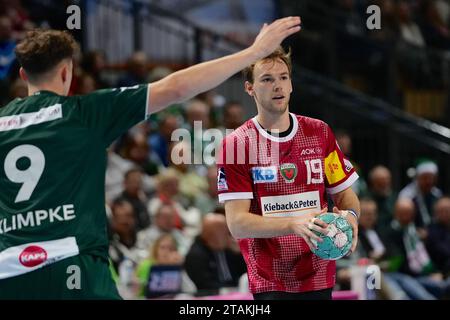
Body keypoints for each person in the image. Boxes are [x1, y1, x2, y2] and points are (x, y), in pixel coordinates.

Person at [0, 16, 301, 299]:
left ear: (24, 73)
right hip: (73, 265)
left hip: (8, 273)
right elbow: (176, 87)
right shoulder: (84, 113)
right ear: (68, 72)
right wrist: (254, 52)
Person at [217, 46, 360, 300]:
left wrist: (350, 216)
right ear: (250, 88)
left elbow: (345, 195)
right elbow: (237, 224)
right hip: (270, 279)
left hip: (319, 268)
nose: (278, 86)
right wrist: (294, 225)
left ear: (292, 84)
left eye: (284, 77)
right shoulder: (237, 144)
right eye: (267, 79)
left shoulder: (320, 132)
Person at [184, 213, 247, 296]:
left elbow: (245, 273)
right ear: (210, 234)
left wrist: (240, 253)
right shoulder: (196, 255)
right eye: (224, 231)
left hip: (238, 292)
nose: (229, 235)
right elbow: (203, 284)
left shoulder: (230, 248)